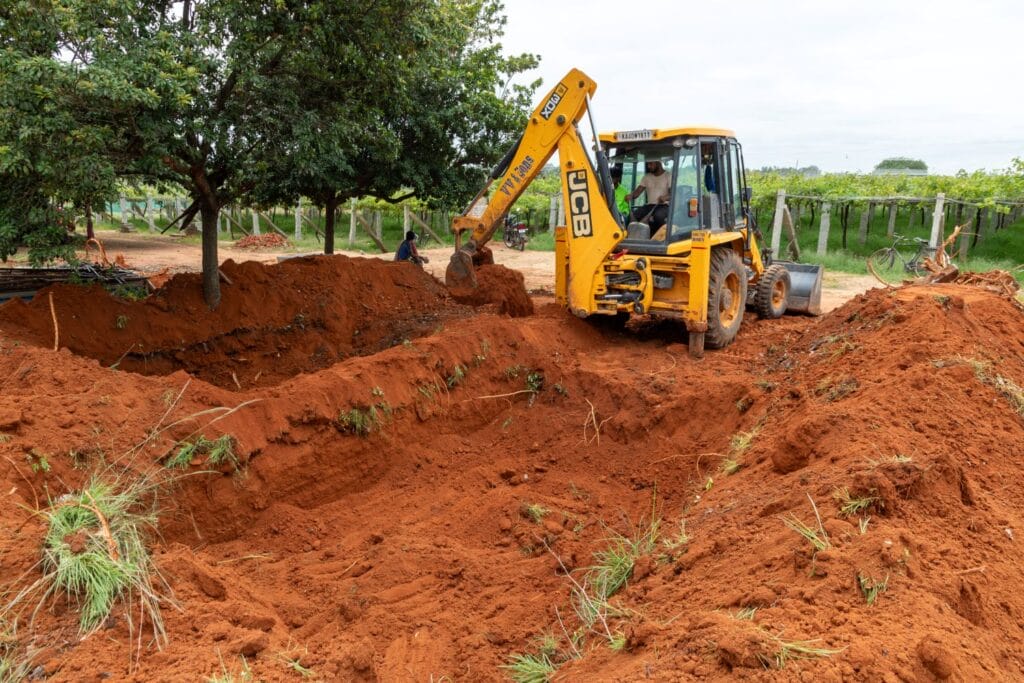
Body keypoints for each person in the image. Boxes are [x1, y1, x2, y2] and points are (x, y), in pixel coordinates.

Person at [625, 159, 671, 231]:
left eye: (651, 164)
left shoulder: (668, 176)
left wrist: (665, 197)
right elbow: (637, 193)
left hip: (664, 206)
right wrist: (630, 196)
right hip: (650, 206)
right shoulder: (647, 177)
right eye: (648, 164)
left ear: (658, 162)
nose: (649, 166)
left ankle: (657, 238)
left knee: (658, 217)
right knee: (632, 216)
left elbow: (672, 194)